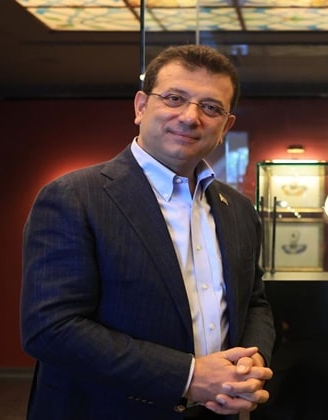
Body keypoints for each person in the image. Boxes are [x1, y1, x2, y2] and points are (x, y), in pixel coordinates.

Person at [20, 44, 275, 420]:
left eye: (210, 107)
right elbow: (50, 329)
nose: (190, 117)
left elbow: (255, 302)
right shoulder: (74, 197)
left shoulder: (237, 208)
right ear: (141, 106)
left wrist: (250, 363)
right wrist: (189, 377)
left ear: (226, 126)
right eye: (174, 98)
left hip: (216, 412)